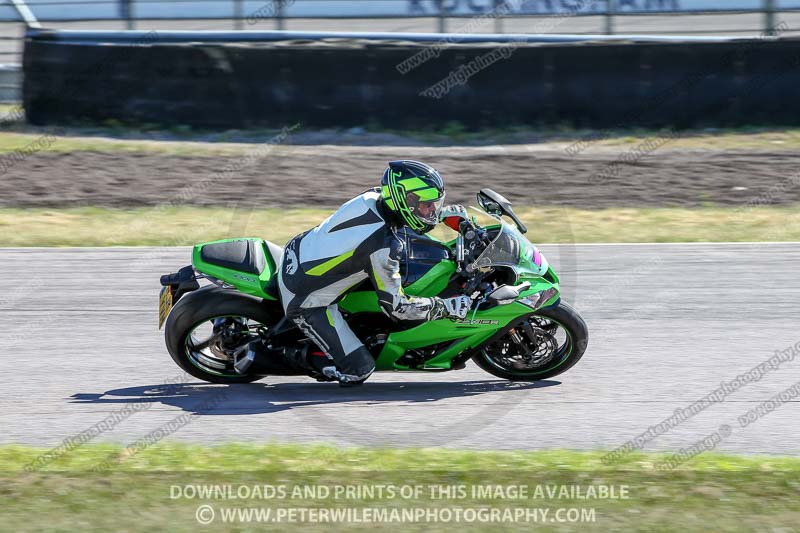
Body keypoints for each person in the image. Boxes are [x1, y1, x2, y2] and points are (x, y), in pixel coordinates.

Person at [277, 160, 471, 387]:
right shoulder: (381, 248)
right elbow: (398, 309)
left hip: (296, 251)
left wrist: (442, 215)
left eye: (434, 205)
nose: (431, 211)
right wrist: (444, 307)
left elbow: (403, 219)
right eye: (428, 205)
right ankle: (289, 356)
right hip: (305, 300)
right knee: (360, 368)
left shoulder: (375, 197)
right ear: (405, 200)